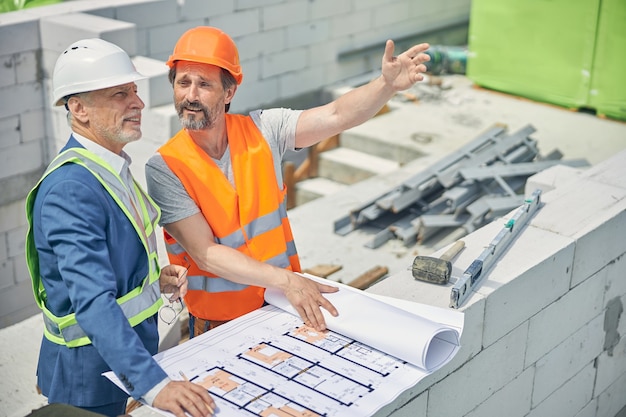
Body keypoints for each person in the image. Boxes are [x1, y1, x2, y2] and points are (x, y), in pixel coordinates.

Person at [145, 26, 430, 337]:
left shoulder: (264, 130)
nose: (191, 95)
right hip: (221, 328)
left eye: (204, 84)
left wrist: (384, 86)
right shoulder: (165, 167)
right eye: (183, 83)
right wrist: (289, 280)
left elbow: (336, 114)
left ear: (229, 92)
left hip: (283, 309)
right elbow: (206, 254)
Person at [25, 38, 216, 417]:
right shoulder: (70, 190)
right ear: (78, 109)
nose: (138, 102)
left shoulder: (109, 167)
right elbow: (93, 301)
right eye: (119, 94)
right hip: (89, 382)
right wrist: (154, 385)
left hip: (115, 366)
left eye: (134, 90)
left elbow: (107, 264)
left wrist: (152, 280)